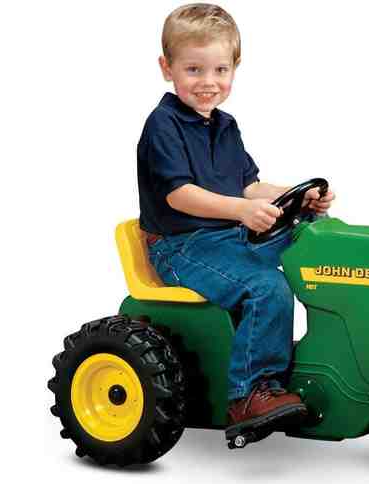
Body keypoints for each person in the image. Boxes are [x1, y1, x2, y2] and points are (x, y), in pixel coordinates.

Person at [137, 3, 335, 440]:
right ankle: (249, 393)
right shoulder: (163, 125)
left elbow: (250, 187)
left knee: (320, 242)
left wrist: (298, 195)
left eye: (220, 70)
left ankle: (334, 357)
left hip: (228, 235)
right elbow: (179, 194)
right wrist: (241, 212)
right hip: (182, 246)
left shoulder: (225, 126)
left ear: (235, 68)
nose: (208, 82)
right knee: (267, 287)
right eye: (193, 69)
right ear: (167, 68)